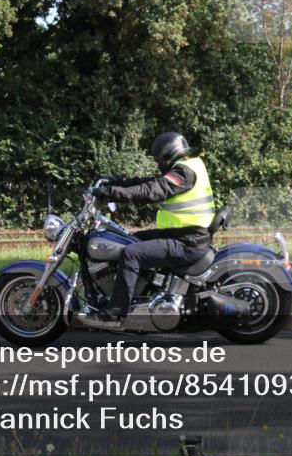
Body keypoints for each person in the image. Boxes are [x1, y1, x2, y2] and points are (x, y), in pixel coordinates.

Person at [93, 132, 216, 321]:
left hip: (187, 242)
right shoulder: (188, 165)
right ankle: (139, 295)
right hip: (181, 235)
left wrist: (112, 193)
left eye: (159, 158)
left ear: (167, 155)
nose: (158, 163)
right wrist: (119, 182)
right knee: (131, 239)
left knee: (132, 252)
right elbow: (151, 183)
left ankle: (118, 309)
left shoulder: (185, 172)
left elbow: (153, 190)